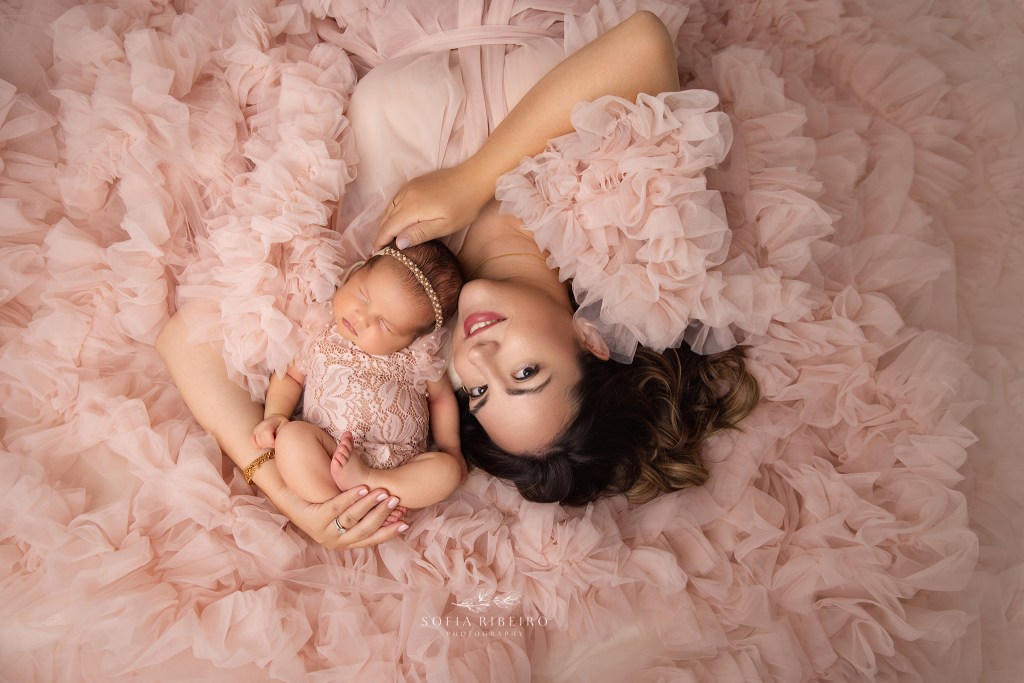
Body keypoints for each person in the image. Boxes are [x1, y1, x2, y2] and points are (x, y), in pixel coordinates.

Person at [158, 11, 756, 548]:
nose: (478, 358)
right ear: (591, 341)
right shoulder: (617, 221)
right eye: (524, 373)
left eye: (478, 392)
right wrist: (472, 182)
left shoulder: (401, 293)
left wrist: (290, 497)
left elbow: (187, 341)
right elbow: (644, 45)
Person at [249, 241, 467, 513]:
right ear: (356, 272)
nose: (361, 317)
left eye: (385, 324)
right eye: (363, 296)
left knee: (446, 471)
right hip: (327, 450)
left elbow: (441, 399)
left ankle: (368, 483)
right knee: (291, 439)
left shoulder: (420, 355)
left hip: (398, 468)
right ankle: (340, 504)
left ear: (413, 338)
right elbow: (291, 378)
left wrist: (451, 447)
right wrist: (275, 414)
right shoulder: (319, 328)